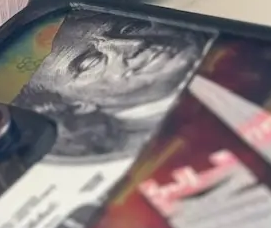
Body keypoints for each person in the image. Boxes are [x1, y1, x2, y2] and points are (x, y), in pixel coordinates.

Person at [17, 11, 210, 160]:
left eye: (129, 28)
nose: (134, 44)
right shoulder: (144, 153)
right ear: (78, 104)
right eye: (91, 62)